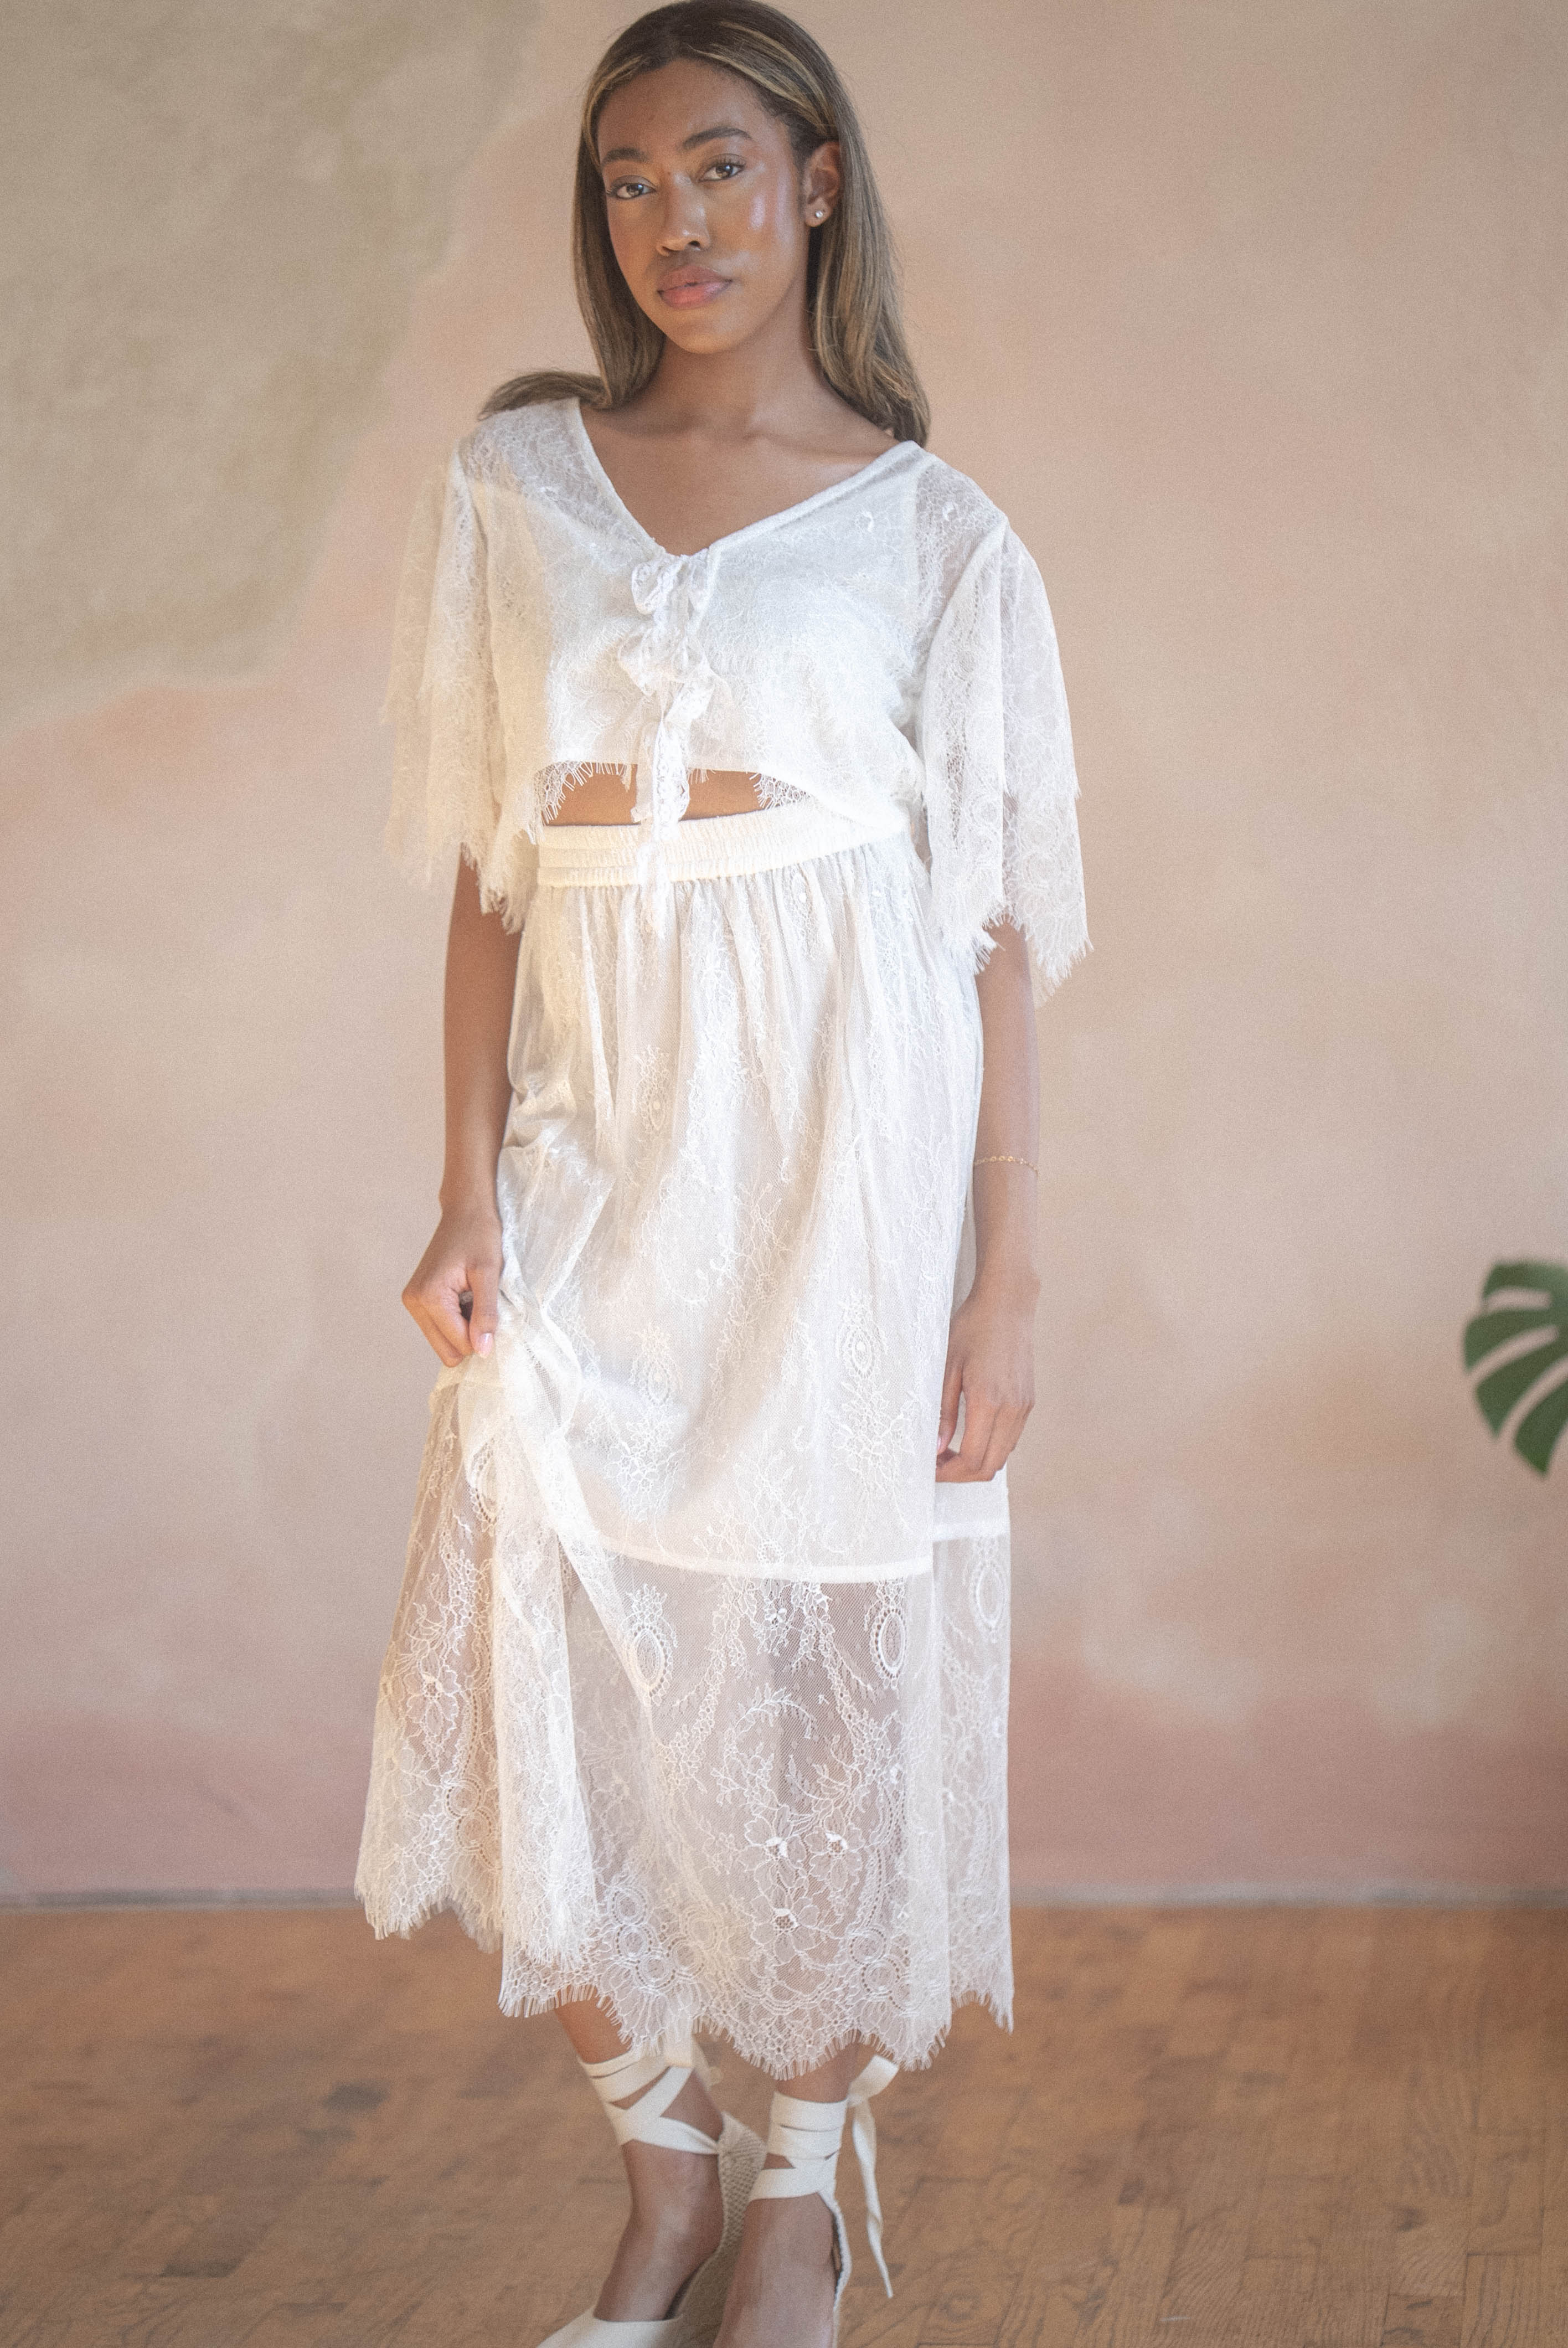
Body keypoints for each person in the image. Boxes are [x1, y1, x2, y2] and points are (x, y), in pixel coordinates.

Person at [355, 5, 1089, 2342]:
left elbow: (994, 931)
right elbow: (488, 870)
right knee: (527, 1627)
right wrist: (464, 1190)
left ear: (815, 184)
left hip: (845, 1163)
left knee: (822, 1674)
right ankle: (658, 2168)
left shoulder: (935, 530)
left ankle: (794, 2197)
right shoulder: (519, 482)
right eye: (629, 181)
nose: (675, 220)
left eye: (719, 167)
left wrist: (1005, 1280)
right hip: (601, 1138)